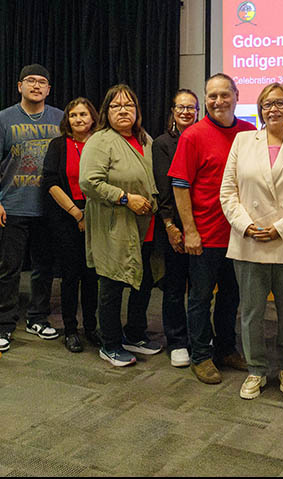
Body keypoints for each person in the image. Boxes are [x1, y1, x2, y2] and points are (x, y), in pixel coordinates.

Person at [220, 83, 283, 399]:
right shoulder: (243, 140)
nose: (273, 108)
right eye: (266, 103)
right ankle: (256, 370)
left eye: (280, 102)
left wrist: (282, 228)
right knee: (250, 311)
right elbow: (228, 191)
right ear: (260, 109)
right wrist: (246, 226)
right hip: (249, 240)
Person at [167, 73, 255, 383]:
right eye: (212, 96)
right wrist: (189, 230)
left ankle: (226, 349)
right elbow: (180, 185)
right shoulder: (193, 135)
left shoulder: (249, 133)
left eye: (224, 94)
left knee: (231, 296)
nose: (218, 101)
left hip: (240, 234)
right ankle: (201, 355)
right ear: (206, 99)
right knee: (201, 298)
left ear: (236, 95)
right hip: (205, 234)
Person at [0, 64, 63, 352]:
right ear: (20, 86)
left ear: (49, 89)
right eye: (30, 80)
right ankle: (2, 324)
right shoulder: (2, 119)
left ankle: (37, 318)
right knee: (8, 269)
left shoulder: (60, 118)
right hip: (13, 205)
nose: (36, 86)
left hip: (49, 208)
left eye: (42, 82)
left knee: (44, 269)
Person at [79, 84, 161, 367]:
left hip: (145, 226)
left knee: (143, 282)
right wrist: (125, 198)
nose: (124, 110)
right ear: (106, 112)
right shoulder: (100, 141)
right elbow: (89, 182)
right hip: (114, 225)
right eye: (116, 106)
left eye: (129, 105)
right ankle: (110, 344)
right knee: (112, 284)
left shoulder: (145, 139)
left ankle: (134, 334)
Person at [42, 97, 101, 353]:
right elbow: (50, 183)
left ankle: (91, 327)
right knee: (70, 277)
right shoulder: (58, 145)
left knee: (92, 277)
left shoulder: (100, 144)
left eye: (83, 115)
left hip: (99, 216)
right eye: (74, 115)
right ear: (67, 120)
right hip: (67, 217)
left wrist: (90, 215)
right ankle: (70, 330)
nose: (78, 119)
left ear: (92, 119)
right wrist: (78, 214)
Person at [152, 89, 199, 368]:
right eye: (180, 107)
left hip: (201, 223)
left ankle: (198, 337)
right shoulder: (162, 144)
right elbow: (163, 188)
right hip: (174, 225)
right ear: (173, 111)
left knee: (199, 288)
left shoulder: (202, 137)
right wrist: (170, 225)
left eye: (191, 108)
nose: (185, 112)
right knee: (174, 286)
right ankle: (177, 341)